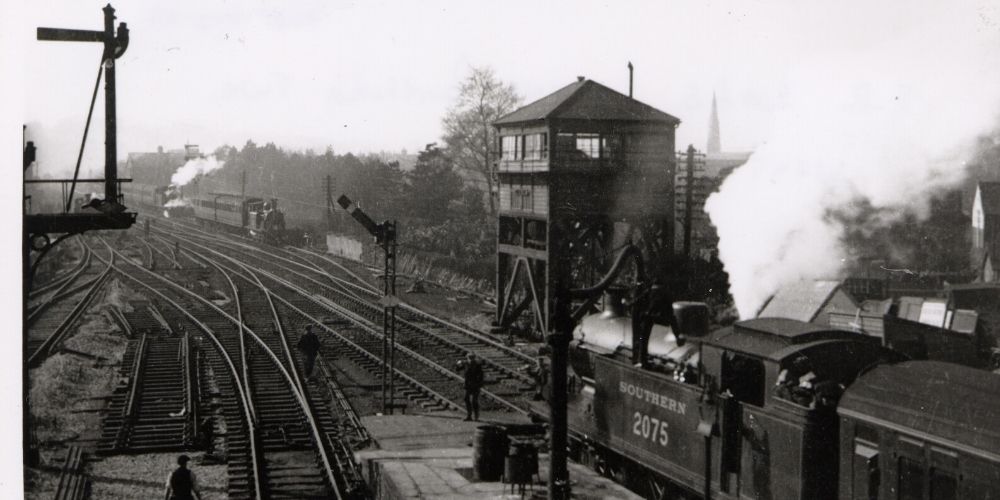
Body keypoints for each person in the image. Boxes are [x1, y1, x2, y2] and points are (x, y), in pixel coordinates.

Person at [458, 353, 484, 421]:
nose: (471, 359)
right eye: (469, 358)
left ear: (474, 358)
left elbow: (481, 376)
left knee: (474, 401)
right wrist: (458, 364)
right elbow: (457, 369)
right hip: (468, 385)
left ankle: (476, 416)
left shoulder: (478, 365)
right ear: (467, 358)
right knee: (466, 399)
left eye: (472, 358)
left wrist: (479, 384)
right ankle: (469, 415)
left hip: (475, 385)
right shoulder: (466, 364)